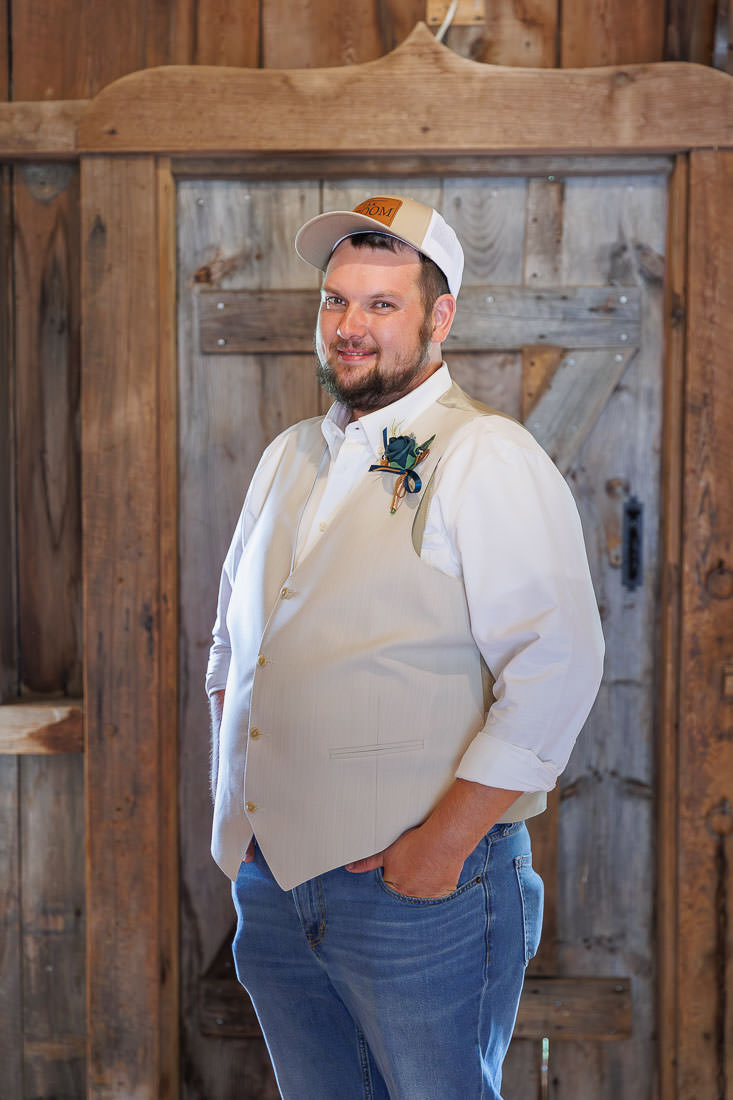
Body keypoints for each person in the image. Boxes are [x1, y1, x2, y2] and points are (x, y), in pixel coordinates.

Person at [206, 194, 604, 1099]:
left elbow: (557, 667)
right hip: (273, 886)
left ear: (439, 317)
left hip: (419, 895)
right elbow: (234, 649)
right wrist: (246, 818)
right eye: (335, 302)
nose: (350, 327)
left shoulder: (485, 456)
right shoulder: (287, 457)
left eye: (382, 305)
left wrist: (441, 846)